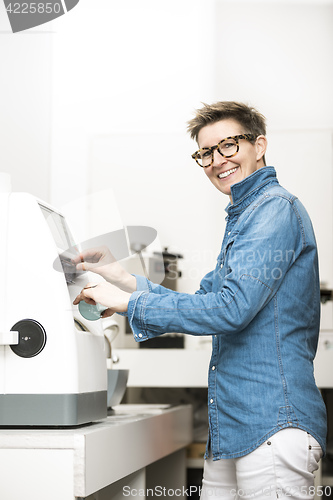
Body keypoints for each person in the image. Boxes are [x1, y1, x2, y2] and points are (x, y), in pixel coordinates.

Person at [73, 101, 327, 499]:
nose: (216, 160)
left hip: (273, 425)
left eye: (228, 145)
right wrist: (122, 281)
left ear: (259, 145)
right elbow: (204, 301)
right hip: (234, 428)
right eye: (206, 152)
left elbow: (229, 310)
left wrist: (127, 305)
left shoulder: (274, 208)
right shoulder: (243, 218)